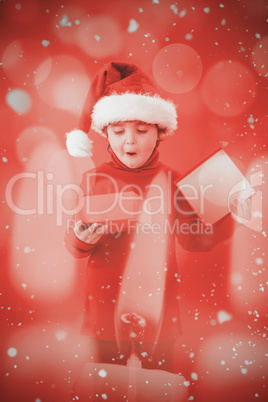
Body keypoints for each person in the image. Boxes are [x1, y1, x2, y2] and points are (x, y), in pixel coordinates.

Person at [64, 61, 250, 374]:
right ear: (106, 134)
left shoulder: (171, 181)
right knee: (107, 381)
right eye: (119, 131)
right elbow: (73, 241)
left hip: (159, 306)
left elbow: (193, 238)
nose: (130, 141)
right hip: (104, 306)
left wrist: (228, 217)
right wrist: (81, 239)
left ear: (159, 132)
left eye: (141, 130)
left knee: (160, 381)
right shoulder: (92, 179)